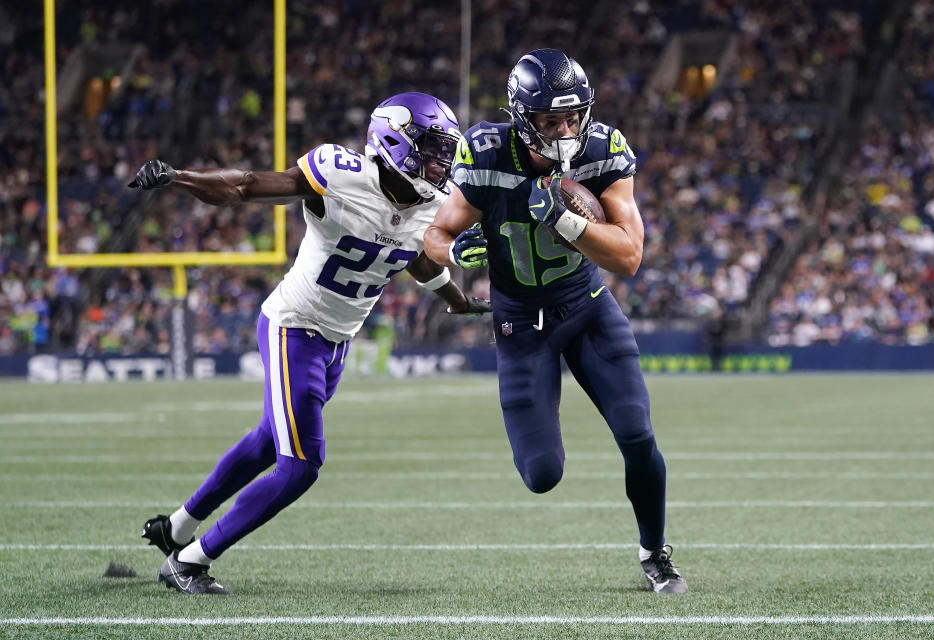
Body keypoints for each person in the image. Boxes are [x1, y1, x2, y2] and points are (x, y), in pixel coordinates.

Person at [129, 92, 490, 594]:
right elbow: (245, 185)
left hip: (335, 343)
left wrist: (456, 299)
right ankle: (189, 561)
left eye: (445, 150)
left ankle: (176, 529)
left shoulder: (432, 203)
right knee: (300, 465)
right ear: (392, 140)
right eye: (430, 147)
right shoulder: (339, 175)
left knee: (266, 443)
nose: (440, 161)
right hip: (294, 326)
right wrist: (179, 177)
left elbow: (419, 259)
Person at [424, 49, 688, 594]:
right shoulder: (486, 149)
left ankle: (654, 554)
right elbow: (436, 233)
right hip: (521, 327)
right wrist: (455, 252)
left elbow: (630, 256)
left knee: (638, 433)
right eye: (551, 120)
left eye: (572, 116)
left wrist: (566, 221)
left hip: (587, 308)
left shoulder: (604, 149)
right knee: (541, 474)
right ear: (523, 118)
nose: (566, 130)